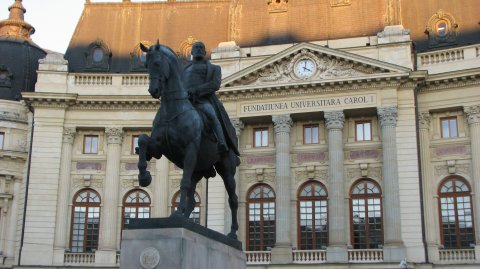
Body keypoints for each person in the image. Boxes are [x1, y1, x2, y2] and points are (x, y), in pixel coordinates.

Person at [183, 42, 239, 155]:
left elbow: (215, 84)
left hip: (202, 100)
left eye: (201, 48)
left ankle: (221, 142)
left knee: (213, 116)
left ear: (204, 52)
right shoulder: (184, 70)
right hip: (185, 101)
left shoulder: (214, 68)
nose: (198, 50)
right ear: (191, 52)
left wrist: (197, 90)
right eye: (196, 48)